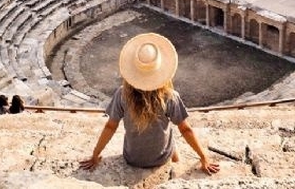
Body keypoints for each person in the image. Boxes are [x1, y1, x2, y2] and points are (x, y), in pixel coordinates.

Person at [80, 33, 219, 175]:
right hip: (161, 158)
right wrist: (204, 157)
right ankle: (175, 163)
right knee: (171, 138)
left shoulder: (122, 94)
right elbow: (186, 130)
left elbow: (110, 126)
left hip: (132, 158)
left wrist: (95, 155)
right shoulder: (170, 96)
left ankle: (174, 162)